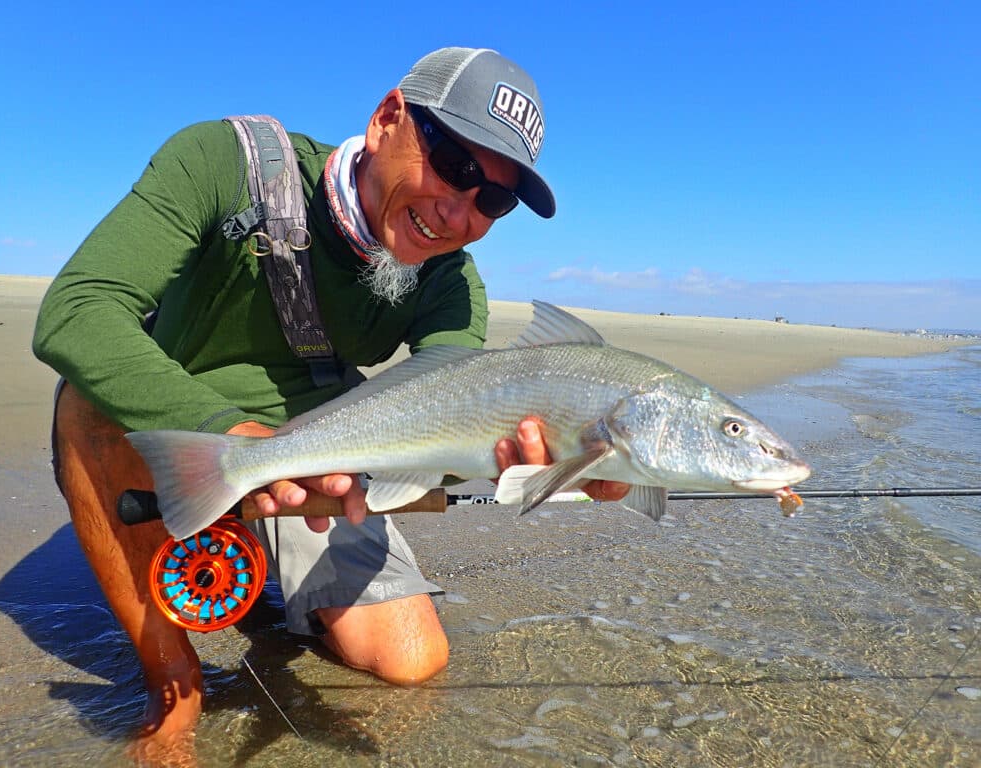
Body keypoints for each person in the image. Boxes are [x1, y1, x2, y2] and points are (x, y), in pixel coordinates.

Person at [33, 47, 627, 762]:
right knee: (85, 405)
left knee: (410, 661)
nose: (459, 210)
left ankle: (254, 559)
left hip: (322, 452)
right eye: (455, 165)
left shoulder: (451, 284)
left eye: (492, 200)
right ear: (387, 119)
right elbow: (75, 312)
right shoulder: (223, 160)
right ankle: (174, 680)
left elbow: (442, 422)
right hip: (172, 426)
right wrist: (228, 431)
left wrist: (546, 464)